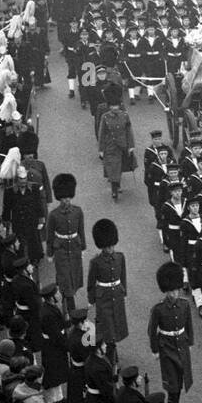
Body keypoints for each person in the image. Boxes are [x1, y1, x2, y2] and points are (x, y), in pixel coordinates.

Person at [148, 261, 194, 403]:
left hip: (181, 344)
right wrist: (155, 350)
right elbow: (152, 330)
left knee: (181, 376)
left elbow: (188, 325)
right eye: (170, 291)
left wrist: (190, 342)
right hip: (166, 346)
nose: (173, 294)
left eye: (175, 290)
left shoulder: (184, 304)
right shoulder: (158, 309)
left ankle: (174, 399)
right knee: (171, 378)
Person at [86, 218, 128, 364]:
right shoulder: (96, 262)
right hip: (103, 297)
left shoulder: (120, 257)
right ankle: (108, 351)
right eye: (107, 247)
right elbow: (91, 282)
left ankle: (108, 346)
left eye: (111, 246)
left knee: (116, 323)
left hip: (117, 294)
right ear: (102, 246)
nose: (110, 249)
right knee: (107, 325)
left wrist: (124, 291)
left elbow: (123, 276)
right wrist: (91, 299)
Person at [46, 173, 86, 312]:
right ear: (59, 198)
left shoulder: (78, 212)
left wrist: (83, 248)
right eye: (63, 198)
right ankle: (71, 310)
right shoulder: (53, 215)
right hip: (61, 249)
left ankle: (65, 295)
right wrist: (50, 253)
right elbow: (50, 235)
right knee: (66, 278)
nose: (66, 201)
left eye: (68, 198)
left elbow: (81, 230)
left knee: (73, 276)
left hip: (74, 247)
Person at [97, 87, 136, 202]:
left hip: (123, 145)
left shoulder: (124, 116)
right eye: (112, 106)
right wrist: (101, 149)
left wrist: (131, 146)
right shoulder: (105, 117)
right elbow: (101, 133)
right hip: (110, 146)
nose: (114, 108)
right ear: (109, 107)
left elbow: (129, 131)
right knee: (113, 167)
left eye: (116, 106)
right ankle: (114, 189)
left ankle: (117, 184)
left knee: (119, 167)